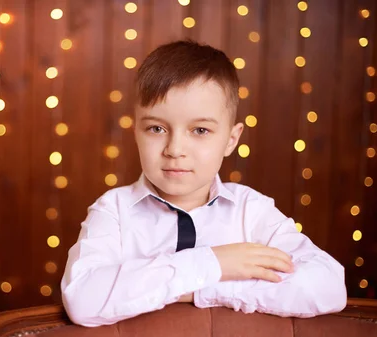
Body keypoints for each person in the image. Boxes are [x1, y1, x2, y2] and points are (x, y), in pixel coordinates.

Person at [60, 40, 347, 328]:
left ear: (231, 140)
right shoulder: (114, 210)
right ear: (136, 132)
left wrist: (203, 288)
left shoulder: (251, 210)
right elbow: (83, 299)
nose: (175, 149)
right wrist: (215, 263)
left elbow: (327, 287)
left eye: (200, 130)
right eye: (156, 128)